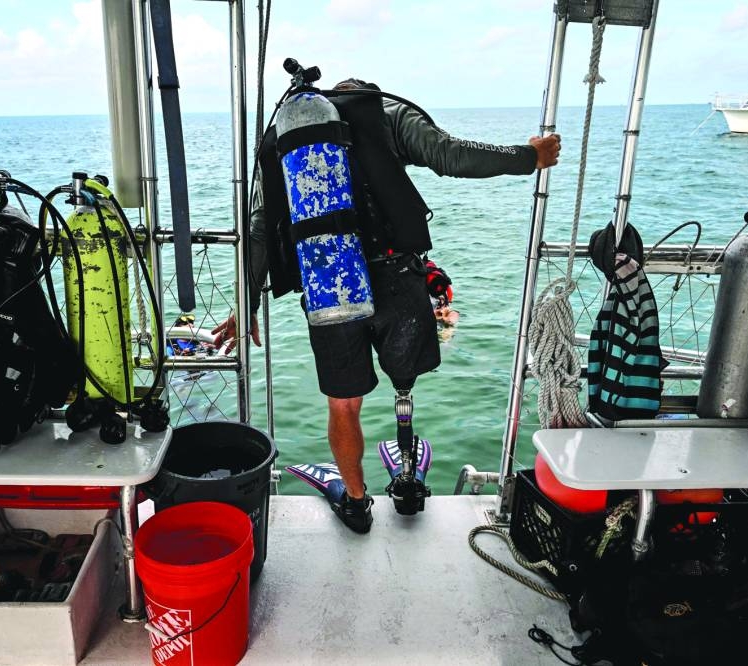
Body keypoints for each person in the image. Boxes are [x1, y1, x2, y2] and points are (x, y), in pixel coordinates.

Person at [214, 77, 560, 533]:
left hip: (329, 285)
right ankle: (405, 464)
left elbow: (261, 228)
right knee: (404, 378)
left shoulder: (287, 135)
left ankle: (356, 503)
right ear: (365, 95)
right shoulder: (385, 115)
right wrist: (528, 156)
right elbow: (449, 153)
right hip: (396, 277)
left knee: (344, 405)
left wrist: (246, 303)